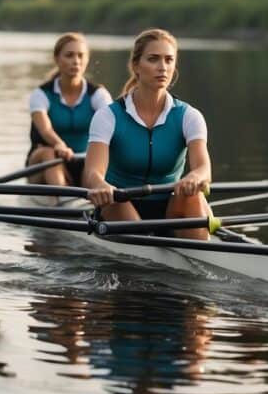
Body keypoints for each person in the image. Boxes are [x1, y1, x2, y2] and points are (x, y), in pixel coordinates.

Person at [84, 29, 211, 240]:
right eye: (153, 59)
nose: (162, 67)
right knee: (116, 199)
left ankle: (197, 255)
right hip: (121, 204)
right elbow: (92, 173)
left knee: (193, 194)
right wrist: (101, 185)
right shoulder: (108, 116)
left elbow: (204, 169)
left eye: (169, 60)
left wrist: (194, 177)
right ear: (136, 66)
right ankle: (147, 248)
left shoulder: (189, 116)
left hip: (170, 206)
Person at [27, 32, 112, 186]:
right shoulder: (41, 94)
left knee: (96, 162)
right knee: (49, 153)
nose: (76, 61)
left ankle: (90, 197)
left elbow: (112, 123)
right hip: (45, 162)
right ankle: (60, 199)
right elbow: (45, 129)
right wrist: (60, 144)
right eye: (69, 55)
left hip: (85, 161)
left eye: (81, 56)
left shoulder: (98, 94)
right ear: (57, 59)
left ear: (87, 60)